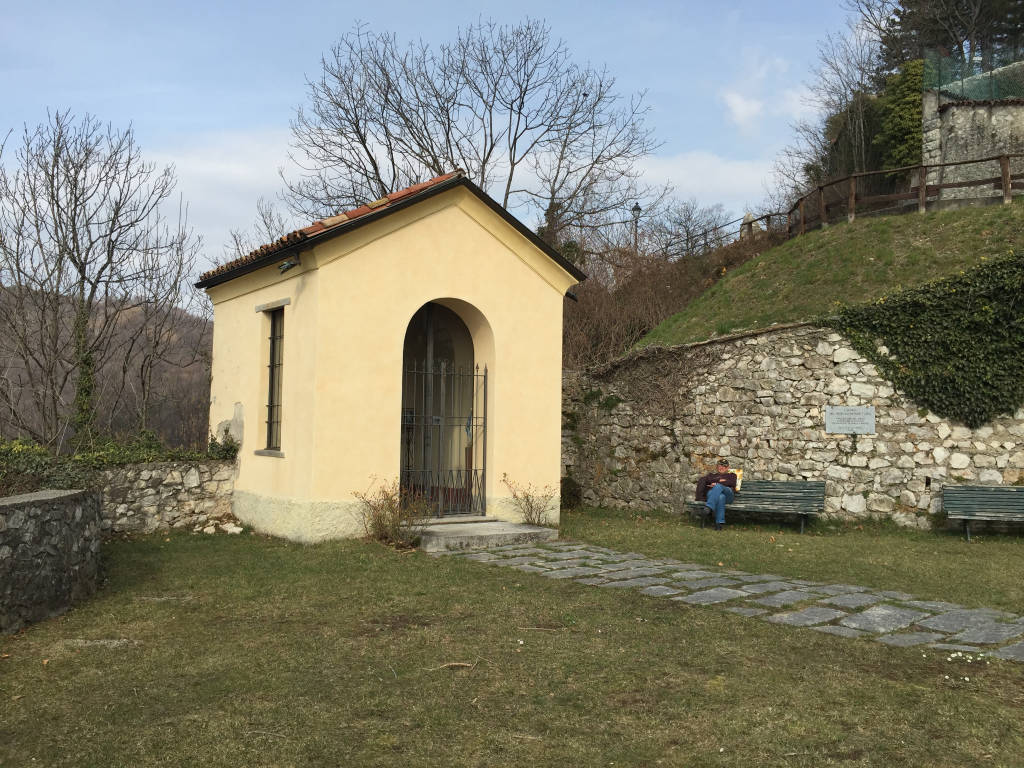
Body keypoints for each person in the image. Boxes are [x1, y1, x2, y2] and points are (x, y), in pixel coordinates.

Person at [695, 458, 737, 531]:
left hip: (728, 495)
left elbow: (732, 483)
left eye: (724, 466)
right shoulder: (711, 475)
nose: (721, 467)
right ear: (717, 467)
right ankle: (718, 524)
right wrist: (720, 480)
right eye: (720, 466)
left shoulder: (732, 475)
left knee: (718, 486)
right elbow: (705, 480)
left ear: (727, 467)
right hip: (715, 495)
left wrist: (717, 483)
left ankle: (708, 508)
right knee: (721, 497)